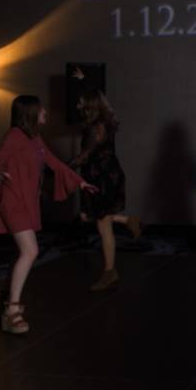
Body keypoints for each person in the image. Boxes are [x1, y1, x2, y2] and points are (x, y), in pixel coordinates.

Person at [0, 95, 96, 334]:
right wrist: (1, 172)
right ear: (31, 113)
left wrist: (79, 182)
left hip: (25, 201)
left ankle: (6, 302)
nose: (46, 112)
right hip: (13, 200)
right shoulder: (14, 135)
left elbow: (54, 162)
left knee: (23, 252)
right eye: (42, 110)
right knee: (30, 250)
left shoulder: (35, 138)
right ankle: (12, 310)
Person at [70, 67, 142, 292]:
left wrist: (61, 168)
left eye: (81, 103)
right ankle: (127, 221)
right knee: (95, 218)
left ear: (90, 106)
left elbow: (85, 156)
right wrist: (84, 82)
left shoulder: (96, 128)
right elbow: (101, 98)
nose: (77, 105)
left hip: (102, 179)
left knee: (101, 223)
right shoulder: (107, 119)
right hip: (104, 175)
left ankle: (110, 271)